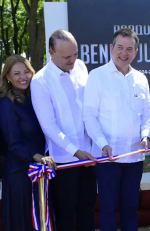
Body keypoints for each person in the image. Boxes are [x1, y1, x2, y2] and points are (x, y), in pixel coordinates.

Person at [83, 28, 150, 231]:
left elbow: (148, 115)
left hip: (134, 158)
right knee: (108, 209)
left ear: (136, 52)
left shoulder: (141, 79)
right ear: (111, 48)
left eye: (129, 49)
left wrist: (146, 136)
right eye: (120, 47)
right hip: (108, 158)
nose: (124, 53)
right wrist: (102, 144)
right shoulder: (97, 76)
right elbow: (89, 116)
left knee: (131, 208)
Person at [31, 30, 97, 231]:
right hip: (64, 161)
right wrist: (76, 152)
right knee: (65, 215)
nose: (73, 60)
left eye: (75, 54)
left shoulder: (81, 67)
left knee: (88, 210)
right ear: (51, 52)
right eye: (67, 56)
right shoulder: (40, 81)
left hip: (89, 156)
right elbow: (48, 126)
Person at [0, 55, 56, 231]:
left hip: (39, 168)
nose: (23, 77)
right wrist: (38, 157)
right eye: (17, 73)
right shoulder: (6, 106)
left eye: (26, 72)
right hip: (20, 173)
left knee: (42, 218)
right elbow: (13, 144)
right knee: (25, 222)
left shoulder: (34, 99)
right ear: (7, 76)